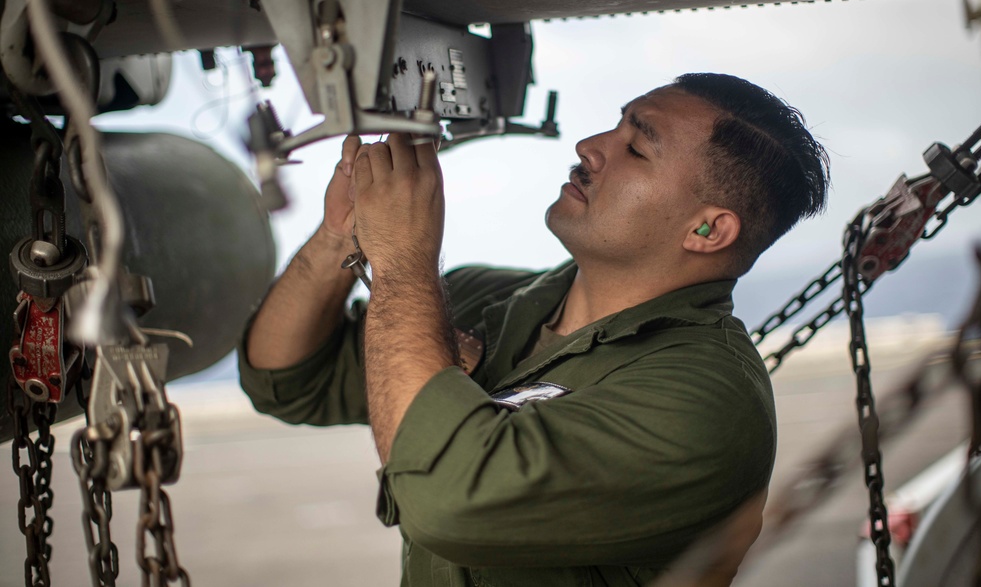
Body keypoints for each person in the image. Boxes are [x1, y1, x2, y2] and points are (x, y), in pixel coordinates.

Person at [238, 73, 830, 587]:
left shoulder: (704, 399)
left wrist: (400, 260)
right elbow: (288, 378)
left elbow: (447, 500)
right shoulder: (483, 299)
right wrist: (343, 234)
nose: (590, 147)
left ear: (707, 231)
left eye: (637, 148)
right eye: (614, 126)